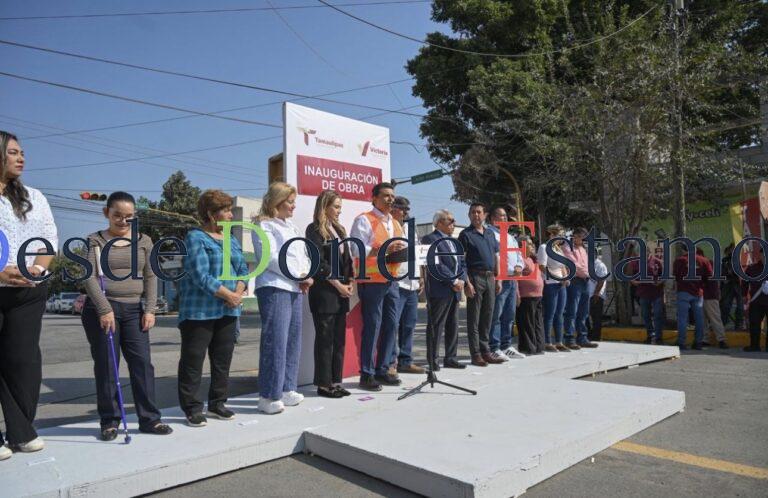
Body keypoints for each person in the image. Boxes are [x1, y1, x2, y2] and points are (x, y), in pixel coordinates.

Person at [82, 191, 172, 440]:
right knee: (108, 366)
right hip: (103, 310)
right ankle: (109, 421)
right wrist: (103, 308)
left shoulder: (144, 240)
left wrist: (150, 309)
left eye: (129, 216)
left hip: (135, 310)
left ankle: (150, 419)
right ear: (106, 213)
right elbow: (88, 277)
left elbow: (152, 275)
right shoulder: (95, 240)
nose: (123, 221)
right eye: (117, 215)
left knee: (142, 365)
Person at [0, 130, 57, 460]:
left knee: (23, 362)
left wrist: (37, 269)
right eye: (12, 152)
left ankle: (21, 432)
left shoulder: (34, 196)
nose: (21, 157)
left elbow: (49, 236)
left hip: (28, 291)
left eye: (22, 152)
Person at [178, 190, 249, 427]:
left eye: (230, 210)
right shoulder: (195, 238)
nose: (231, 215)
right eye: (226, 210)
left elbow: (242, 270)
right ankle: (192, 407)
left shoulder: (231, 240)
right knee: (193, 360)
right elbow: (200, 274)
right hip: (199, 311)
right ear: (210, 214)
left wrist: (237, 294)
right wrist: (228, 294)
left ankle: (218, 403)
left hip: (229, 310)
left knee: (222, 360)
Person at [253, 182, 313, 413]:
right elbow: (269, 257)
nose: (293, 206)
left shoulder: (292, 227)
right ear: (276, 202)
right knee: (275, 341)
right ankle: (268, 396)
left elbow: (304, 253)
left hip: (295, 287)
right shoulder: (263, 224)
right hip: (275, 286)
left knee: (292, 340)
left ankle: (287, 388)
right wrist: (298, 275)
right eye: (290, 202)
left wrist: (306, 274)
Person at [349, 182, 405, 390]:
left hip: (392, 281)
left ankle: (383, 369)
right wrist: (384, 249)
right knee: (373, 327)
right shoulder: (364, 219)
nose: (391, 199)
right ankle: (367, 373)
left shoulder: (396, 223)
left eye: (392, 196)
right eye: (386, 196)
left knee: (391, 326)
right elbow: (355, 249)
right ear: (374, 198)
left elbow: (397, 249)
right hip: (372, 282)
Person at [305, 190, 353, 399]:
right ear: (324, 207)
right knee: (325, 340)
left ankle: (335, 381)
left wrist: (349, 281)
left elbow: (348, 259)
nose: (339, 211)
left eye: (340, 207)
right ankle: (324, 385)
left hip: (342, 292)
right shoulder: (314, 229)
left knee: (339, 339)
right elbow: (319, 263)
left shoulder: (339, 231)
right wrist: (338, 285)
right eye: (336, 206)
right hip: (324, 293)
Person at [459, 203, 504, 366]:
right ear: (469, 215)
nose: (476, 215)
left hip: (490, 277)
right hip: (475, 277)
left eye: (479, 212)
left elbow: (496, 256)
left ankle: (486, 351)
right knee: (474, 319)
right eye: (472, 212)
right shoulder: (465, 234)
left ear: (485, 215)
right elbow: (461, 261)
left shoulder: (490, 234)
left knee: (488, 317)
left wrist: (498, 278)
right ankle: (476, 354)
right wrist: (467, 283)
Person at [421, 210, 466, 370]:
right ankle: (433, 360)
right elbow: (436, 264)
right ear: (439, 222)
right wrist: (453, 280)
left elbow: (461, 262)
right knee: (436, 325)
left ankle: (451, 358)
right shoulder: (429, 239)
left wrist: (461, 279)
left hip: (455, 289)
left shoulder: (453, 241)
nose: (453, 224)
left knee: (453, 324)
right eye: (450, 221)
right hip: (440, 289)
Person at [389, 196, 425, 375]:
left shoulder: (411, 228)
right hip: (397, 282)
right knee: (392, 325)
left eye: (407, 209)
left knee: (409, 325)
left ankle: (405, 360)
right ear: (393, 209)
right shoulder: (389, 226)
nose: (405, 212)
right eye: (402, 209)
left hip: (412, 282)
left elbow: (417, 254)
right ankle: (390, 363)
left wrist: (421, 275)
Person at [487, 205, 525, 361]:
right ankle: (494, 347)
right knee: (497, 315)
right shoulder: (489, 234)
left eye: (505, 217)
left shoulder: (510, 237)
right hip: (500, 279)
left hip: (512, 280)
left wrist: (519, 266)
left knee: (509, 315)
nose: (503, 219)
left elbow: (518, 256)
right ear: (492, 219)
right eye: (500, 216)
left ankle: (506, 345)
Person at [562, 227, 598, 349]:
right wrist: (587, 272)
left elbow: (587, 265)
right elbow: (574, 265)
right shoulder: (567, 247)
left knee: (584, 311)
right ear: (575, 236)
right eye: (580, 237)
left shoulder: (583, 249)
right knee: (572, 311)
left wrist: (588, 273)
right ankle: (569, 338)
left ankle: (582, 337)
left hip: (585, 281)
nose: (582, 240)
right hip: (575, 281)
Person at [538, 224, 570, 352]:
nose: (562, 237)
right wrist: (557, 278)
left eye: (563, 235)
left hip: (561, 284)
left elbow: (562, 266)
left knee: (560, 313)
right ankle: (547, 341)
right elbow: (541, 266)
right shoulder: (544, 247)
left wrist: (566, 277)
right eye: (559, 235)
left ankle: (559, 341)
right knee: (549, 313)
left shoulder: (558, 249)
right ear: (551, 235)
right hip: (550, 284)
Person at [672, 247, 713, 350]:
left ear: (684, 250)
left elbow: (676, 276)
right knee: (699, 319)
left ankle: (681, 342)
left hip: (683, 291)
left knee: (682, 318)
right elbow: (709, 277)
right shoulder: (704, 260)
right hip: (698, 293)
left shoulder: (679, 260)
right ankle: (698, 342)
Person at [630, 245, 665, 345]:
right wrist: (634, 282)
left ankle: (659, 337)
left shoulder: (657, 262)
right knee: (646, 316)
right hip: (643, 293)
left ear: (649, 252)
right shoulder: (636, 263)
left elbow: (664, 276)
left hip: (656, 293)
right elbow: (631, 277)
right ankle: (650, 335)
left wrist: (659, 281)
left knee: (658, 315)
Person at [516, 237, 545, 355]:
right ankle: (529, 347)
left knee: (537, 322)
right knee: (527, 323)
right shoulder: (519, 260)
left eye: (532, 244)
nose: (532, 246)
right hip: (526, 296)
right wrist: (517, 294)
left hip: (537, 295)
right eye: (529, 244)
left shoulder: (532, 259)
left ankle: (539, 346)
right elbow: (516, 279)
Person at [701, 250, 728, 349]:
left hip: (710, 295)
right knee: (703, 319)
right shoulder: (706, 264)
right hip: (703, 295)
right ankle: (705, 339)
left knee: (714, 318)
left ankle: (721, 339)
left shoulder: (708, 264)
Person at [742, 245, 767, 352]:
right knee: (754, 324)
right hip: (757, 301)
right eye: (764, 254)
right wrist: (744, 296)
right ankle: (754, 345)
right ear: (760, 255)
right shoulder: (752, 268)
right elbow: (744, 282)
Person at [587, 245, 609, 342]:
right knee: (585, 316)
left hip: (596, 296)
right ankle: (589, 334)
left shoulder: (600, 265)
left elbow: (601, 281)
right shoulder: (587, 265)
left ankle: (596, 336)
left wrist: (596, 294)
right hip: (587, 295)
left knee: (596, 318)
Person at [720, 243, 744, 330]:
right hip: (729, 285)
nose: (733, 250)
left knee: (740, 306)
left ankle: (739, 324)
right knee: (725, 305)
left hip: (739, 285)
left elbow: (743, 272)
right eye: (732, 248)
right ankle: (723, 323)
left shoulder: (742, 259)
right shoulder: (725, 260)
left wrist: (733, 273)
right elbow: (722, 273)